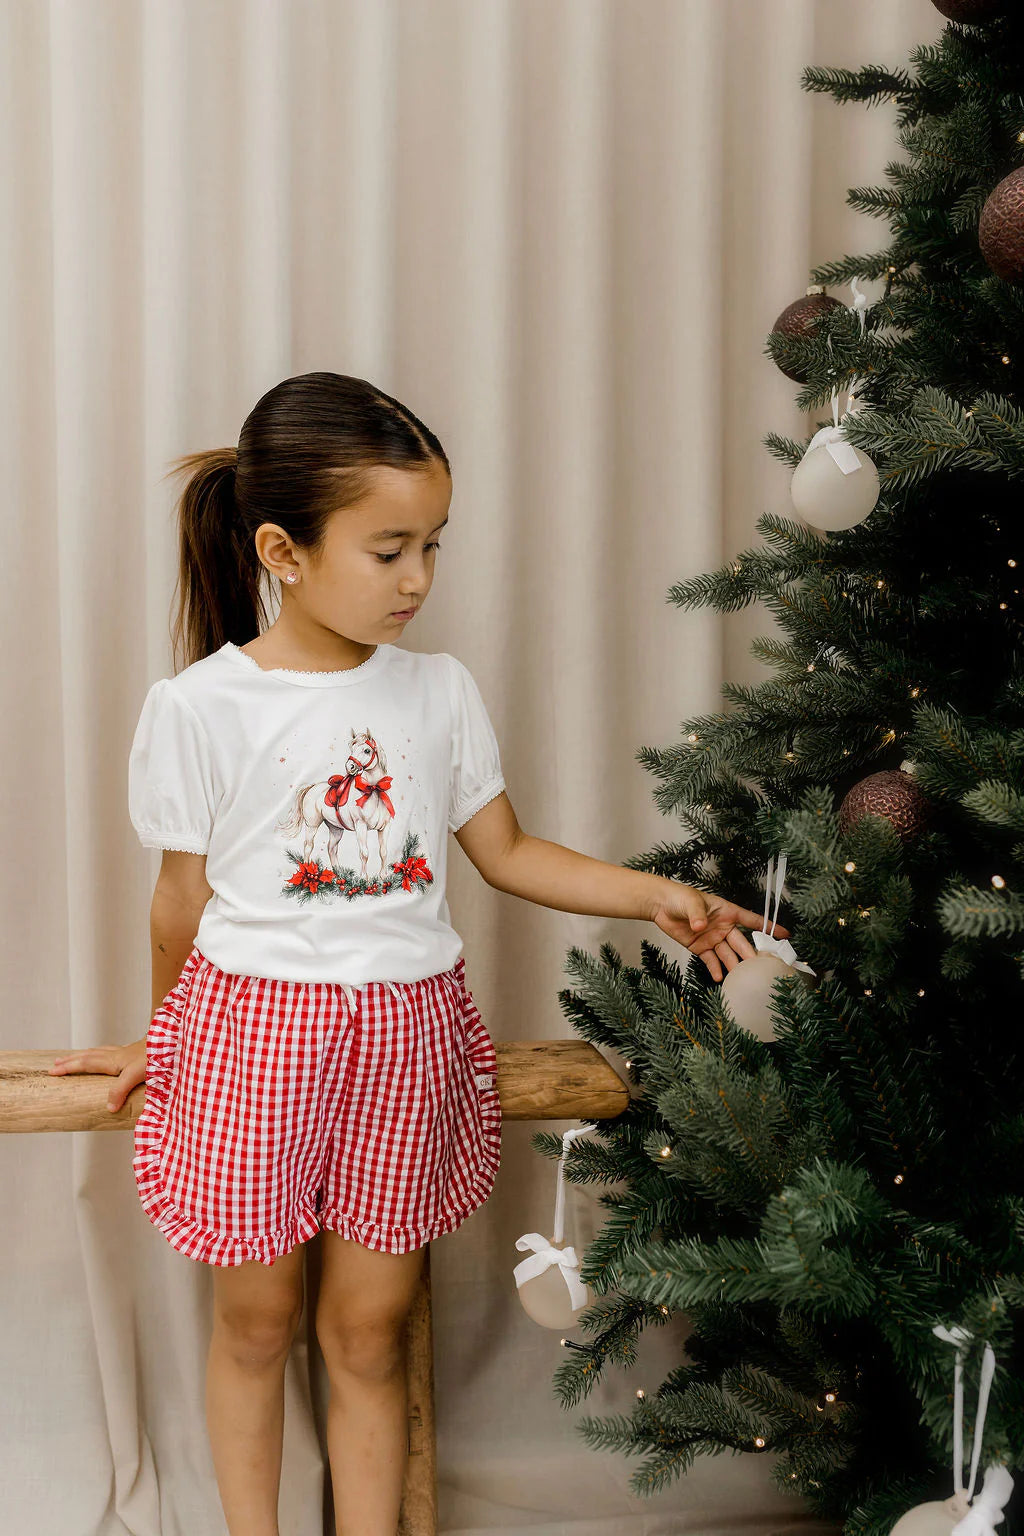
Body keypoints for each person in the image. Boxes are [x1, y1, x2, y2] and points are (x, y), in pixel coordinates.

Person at [48, 372, 788, 1536]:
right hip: (253, 1044)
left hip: (407, 1044)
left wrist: (653, 894)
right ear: (283, 551)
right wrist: (168, 1039)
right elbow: (176, 905)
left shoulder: (437, 693)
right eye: (389, 549)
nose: (418, 580)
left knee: (366, 1331)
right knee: (252, 1327)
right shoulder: (201, 708)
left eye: (432, 546)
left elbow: (505, 850)